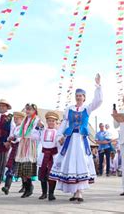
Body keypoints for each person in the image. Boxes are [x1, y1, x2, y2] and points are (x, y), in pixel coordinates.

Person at [49, 74, 103, 203]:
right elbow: (64, 123)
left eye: (81, 96)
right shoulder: (69, 109)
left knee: (81, 162)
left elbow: (99, 101)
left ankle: (80, 192)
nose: (79, 97)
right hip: (70, 139)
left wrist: (98, 85)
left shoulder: (87, 108)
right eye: (77, 96)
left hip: (81, 140)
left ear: (84, 98)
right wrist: (59, 135)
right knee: (71, 163)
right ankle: (74, 192)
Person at [13, 104, 42, 198]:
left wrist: (30, 135)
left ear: (34, 111)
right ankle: (26, 187)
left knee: (27, 166)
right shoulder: (25, 120)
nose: (28, 111)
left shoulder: (36, 119)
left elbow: (38, 132)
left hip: (30, 144)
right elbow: (19, 131)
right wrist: (16, 135)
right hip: (22, 143)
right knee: (21, 166)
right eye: (27, 109)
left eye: (30, 109)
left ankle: (29, 187)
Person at [37, 111, 61, 201]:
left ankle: (51, 193)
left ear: (56, 122)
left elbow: (59, 145)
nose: (51, 122)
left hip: (53, 157)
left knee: (51, 176)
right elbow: (36, 135)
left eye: (53, 121)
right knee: (42, 176)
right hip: (43, 156)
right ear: (47, 122)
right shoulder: (43, 131)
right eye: (49, 121)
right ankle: (44, 193)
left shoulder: (58, 133)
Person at [0, 111, 25, 195]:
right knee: (10, 168)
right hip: (14, 149)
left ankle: (26, 186)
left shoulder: (23, 127)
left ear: (22, 119)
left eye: (17, 118)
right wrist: (8, 140)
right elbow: (11, 137)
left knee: (21, 169)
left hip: (21, 150)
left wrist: (13, 138)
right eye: (14, 118)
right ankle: (7, 187)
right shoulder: (14, 127)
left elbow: (20, 138)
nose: (15, 120)